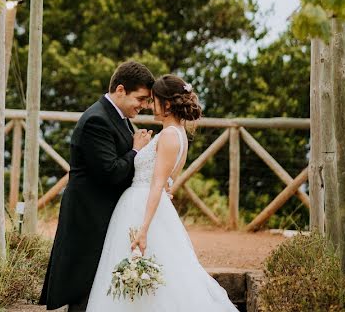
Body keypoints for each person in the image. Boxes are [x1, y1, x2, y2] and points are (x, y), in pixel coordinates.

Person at [85, 74, 238, 311]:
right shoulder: (178, 134)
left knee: (151, 274)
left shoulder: (168, 136)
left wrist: (143, 230)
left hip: (143, 209)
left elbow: (158, 184)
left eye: (153, 100)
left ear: (166, 104)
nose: (148, 105)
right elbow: (168, 181)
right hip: (151, 206)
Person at [39, 60, 156, 311]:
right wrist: (136, 150)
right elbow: (111, 172)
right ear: (121, 90)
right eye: (141, 99)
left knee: (96, 282)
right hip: (88, 213)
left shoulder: (119, 116)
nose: (144, 106)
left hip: (102, 211)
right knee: (84, 282)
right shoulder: (97, 120)